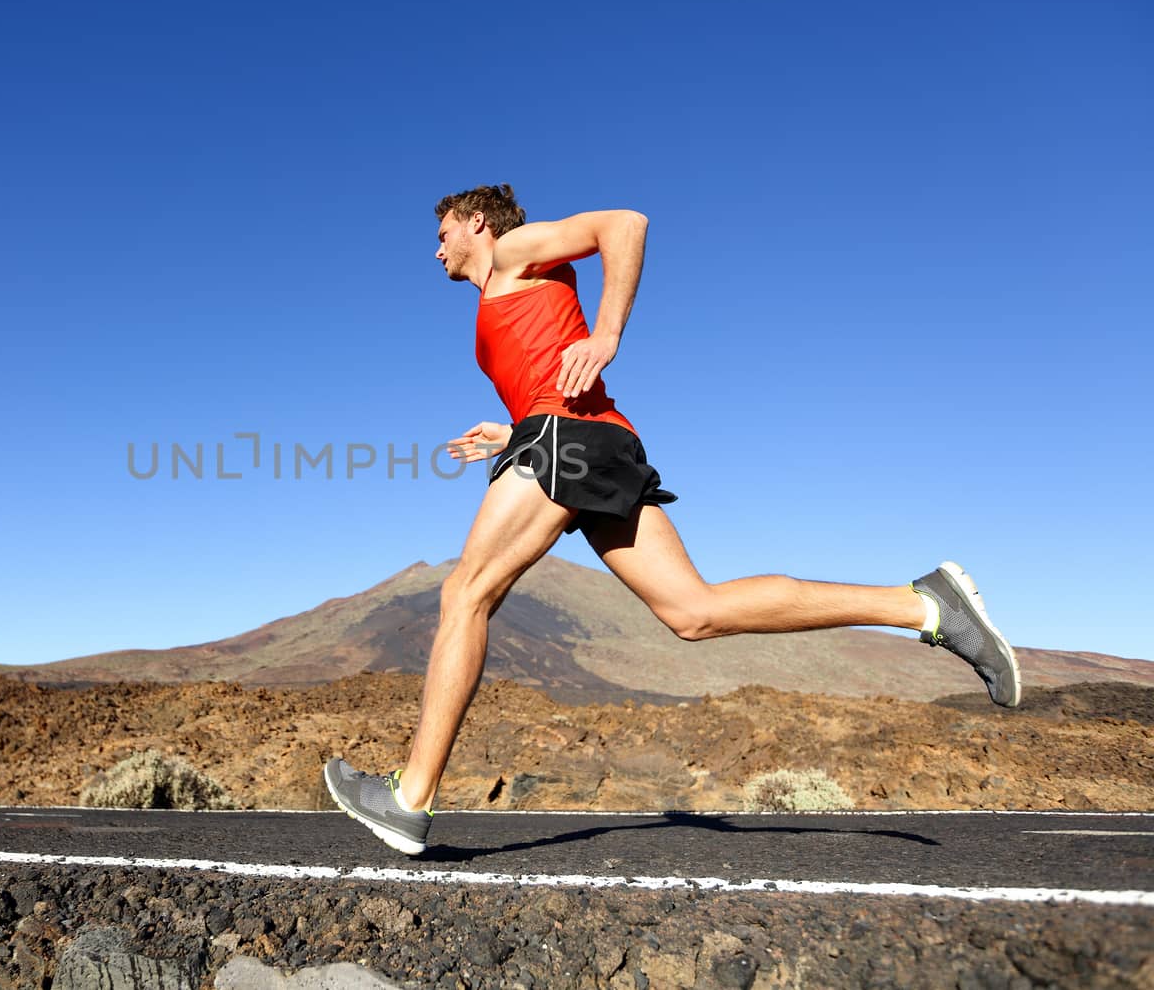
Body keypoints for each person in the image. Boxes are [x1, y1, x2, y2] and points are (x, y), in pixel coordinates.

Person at [323, 183, 1021, 856]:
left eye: (441, 232)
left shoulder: (514, 250)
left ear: (478, 221)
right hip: (584, 442)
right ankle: (927, 605)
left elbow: (624, 223)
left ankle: (409, 797)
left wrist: (606, 334)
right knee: (694, 611)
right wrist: (510, 434)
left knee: (464, 592)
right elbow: (549, 372)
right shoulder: (501, 294)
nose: (435, 248)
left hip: (565, 440)